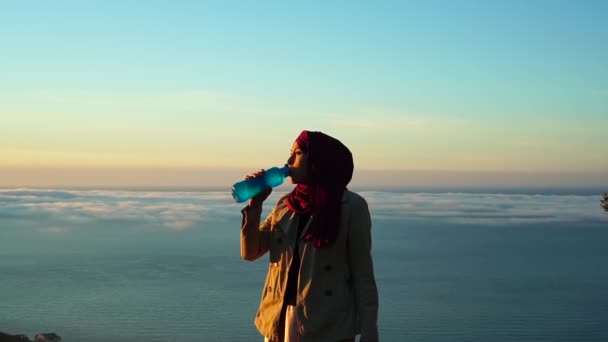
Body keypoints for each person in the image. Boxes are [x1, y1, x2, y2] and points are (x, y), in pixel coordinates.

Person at [239, 130, 379, 342]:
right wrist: (255, 205)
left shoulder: (351, 208)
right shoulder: (285, 206)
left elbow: (363, 276)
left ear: (317, 160)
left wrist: (370, 334)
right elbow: (250, 252)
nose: (288, 161)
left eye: (296, 153)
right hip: (278, 321)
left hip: (326, 328)